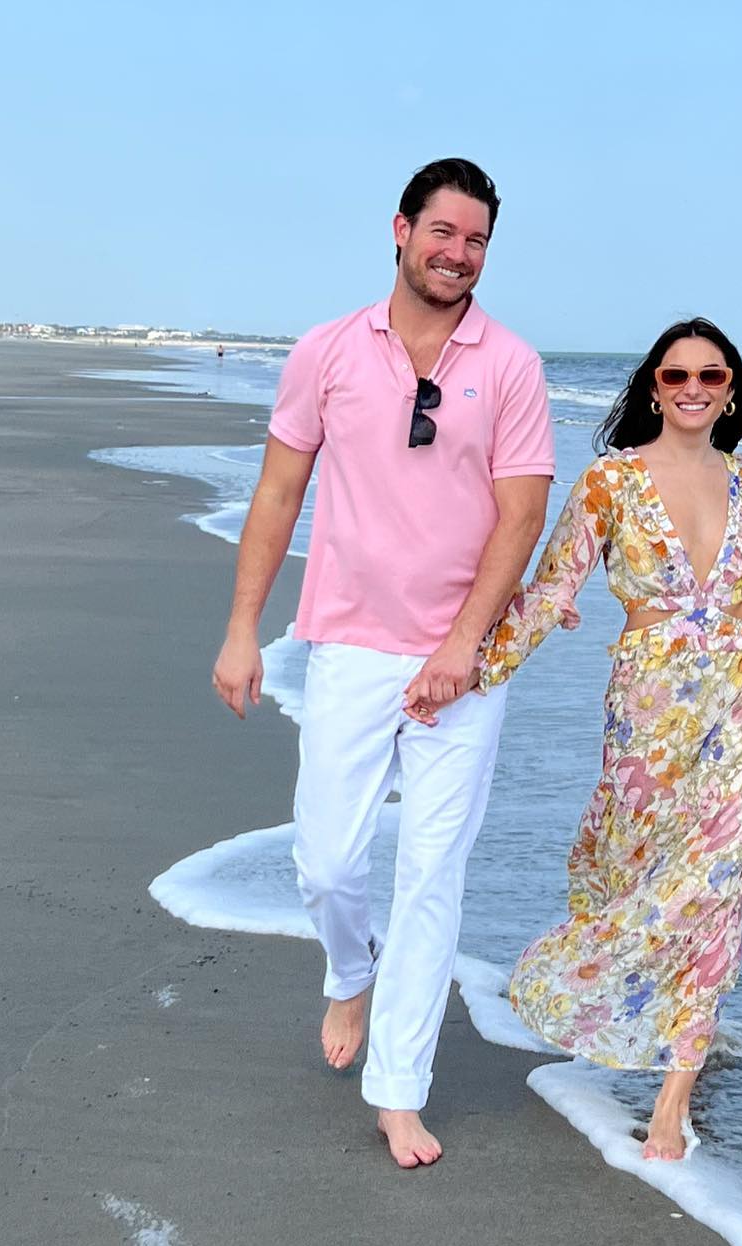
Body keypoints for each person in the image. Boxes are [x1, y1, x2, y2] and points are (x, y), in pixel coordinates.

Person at [211, 158, 553, 1168]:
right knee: (325, 860)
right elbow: (277, 495)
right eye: (444, 232)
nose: (459, 253)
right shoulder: (326, 352)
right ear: (401, 231)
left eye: (478, 240)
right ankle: (347, 966)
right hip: (350, 643)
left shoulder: (514, 366)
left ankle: (399, 1089)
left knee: (433, 873)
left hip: (468, 662)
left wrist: (462, 647)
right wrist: (242, 628)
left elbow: (522, 513)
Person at [440, 319, 742, 1161]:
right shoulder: (610, 481)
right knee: (647, 876)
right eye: (677, 373)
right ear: (653, 385)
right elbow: (549, 590)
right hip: (650, 716)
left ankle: (674, 1091)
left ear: (732, 389)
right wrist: (473, 664)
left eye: (712, 375)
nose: (694, 388)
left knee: (717, 880)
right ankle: (631, 1002)